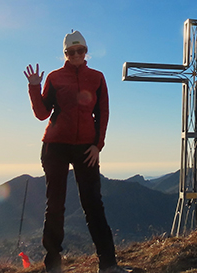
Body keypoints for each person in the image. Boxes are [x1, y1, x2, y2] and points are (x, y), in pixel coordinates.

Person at [24, 31, 129, 272]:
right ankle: (53, 265)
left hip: (86, 148)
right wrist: (34, 87)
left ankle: (109, 264)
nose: (75, 55)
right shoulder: (55, 77)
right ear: (65, 54)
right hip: (55, 146)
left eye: (80, 51)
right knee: (55, 205)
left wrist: (97, 146)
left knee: (93, 204)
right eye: (70, 52)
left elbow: (102, 114)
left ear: (86, 51)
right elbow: (42, 114)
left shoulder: (97, 78)